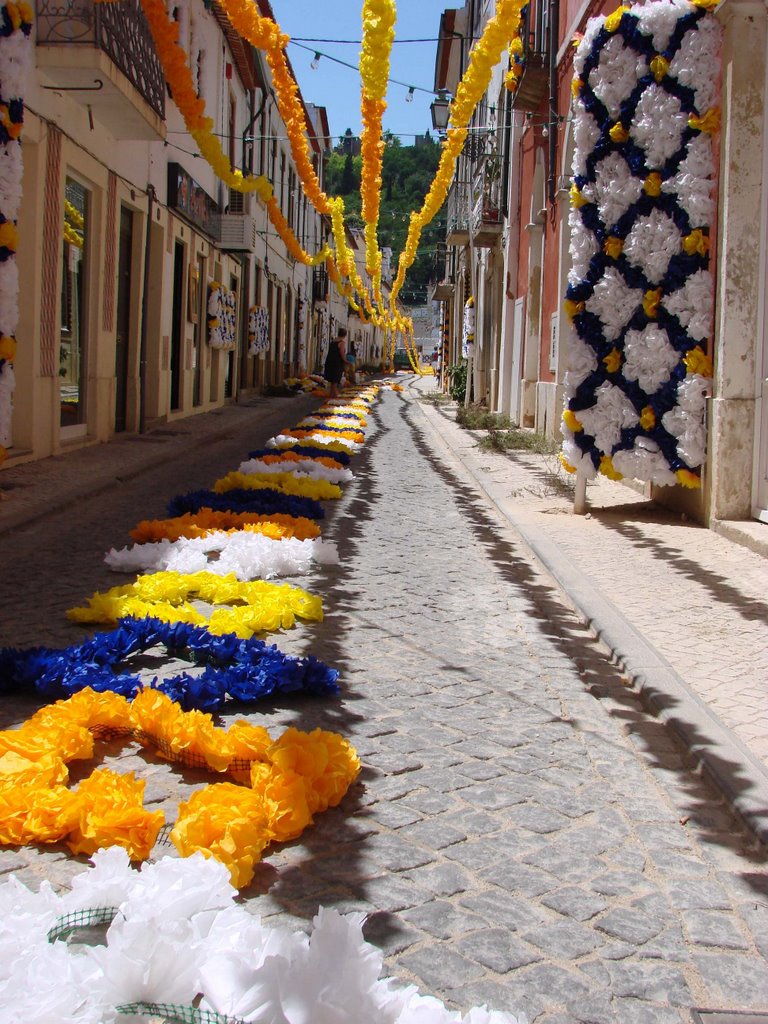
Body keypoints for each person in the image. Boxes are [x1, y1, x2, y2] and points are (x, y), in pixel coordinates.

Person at [324, 327, 347, 398]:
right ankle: (334, 395)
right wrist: (346, 361)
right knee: (335, 380)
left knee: (332, 380)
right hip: (337, 363)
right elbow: (342, 353)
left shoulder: (333, 341)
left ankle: (332, 394)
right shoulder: (341, 343)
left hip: (330, 361)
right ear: (345, 335)